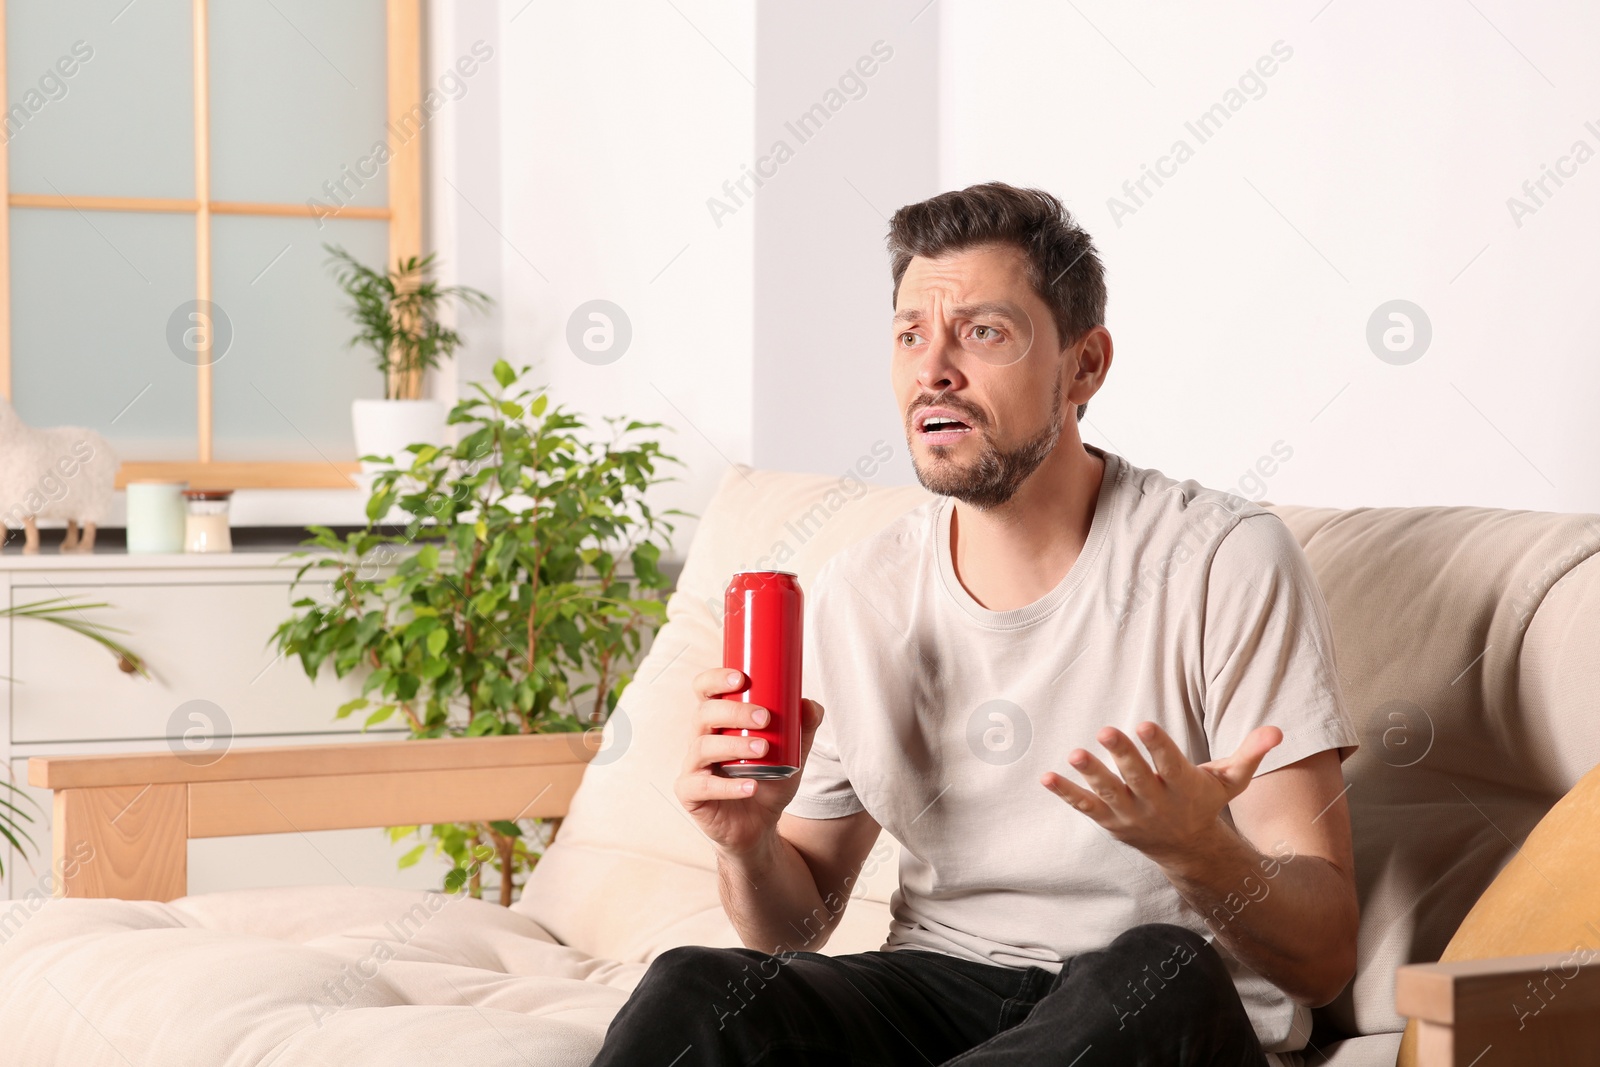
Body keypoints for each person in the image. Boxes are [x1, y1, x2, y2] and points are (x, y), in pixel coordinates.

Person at [591, 182, 1360, 1066]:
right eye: (911, 334)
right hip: (937, 985)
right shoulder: (864, 589)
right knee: (700, 984)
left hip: (1146, 1001)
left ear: (1085, 366)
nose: (933, 370)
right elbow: (795, 926)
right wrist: (750, 842)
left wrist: (1202, 850)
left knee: (1161, 964)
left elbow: (1326, 954)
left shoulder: (1223, 560)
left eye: (984, 332)